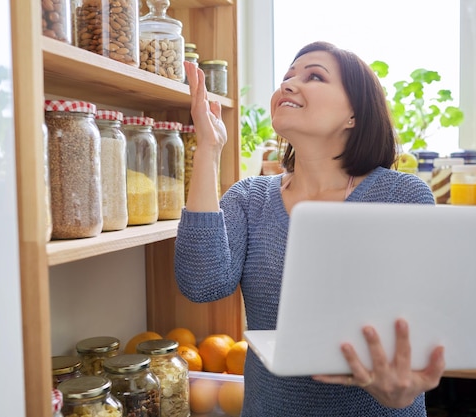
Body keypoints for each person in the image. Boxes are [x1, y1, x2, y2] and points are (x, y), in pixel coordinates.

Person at [174, 41, 445, 416]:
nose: (288, 84)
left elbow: (424, 326)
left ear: (354, 113)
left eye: (314, 76)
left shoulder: (401, 195)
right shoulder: (250, 198)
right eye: (286, 77)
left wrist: (400, 394)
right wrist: (209, 147)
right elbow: (201, 283)